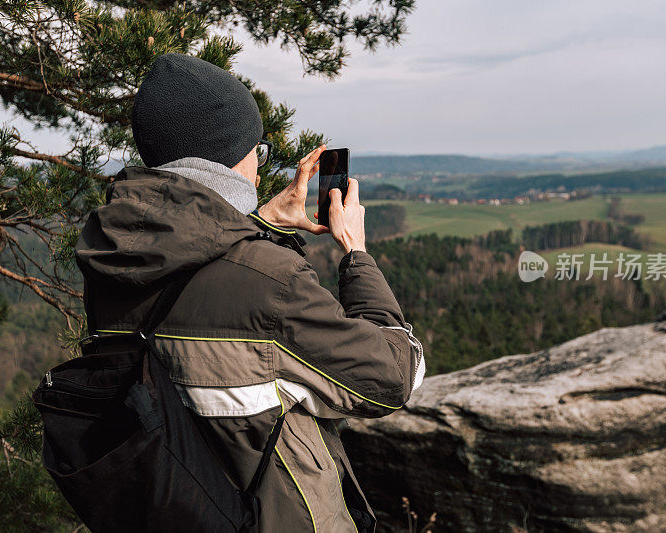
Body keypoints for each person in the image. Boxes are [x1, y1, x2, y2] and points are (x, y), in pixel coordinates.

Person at [75, 53, 425, 532]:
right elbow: (395, 377)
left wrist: (258, 223)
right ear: (229, 161)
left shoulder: (111, 256)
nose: (260, 170)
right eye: (257, 152)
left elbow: (198, 288)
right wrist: (355, 255)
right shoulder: (269, 283)